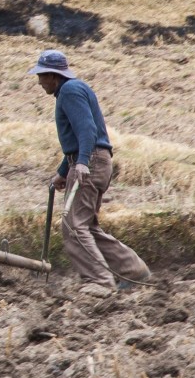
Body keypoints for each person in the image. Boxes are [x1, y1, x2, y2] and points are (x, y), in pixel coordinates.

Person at [28, 50, 151, 296]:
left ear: (53, 75)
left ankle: (99, 281)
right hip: (94, 161)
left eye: (41, 76)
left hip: (90, 162)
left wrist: (82, 162)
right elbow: (77, 139)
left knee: (73, 225)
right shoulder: (71, 90)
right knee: (87, 226)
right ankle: (132, 272)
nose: (39, 81)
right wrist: (63, 171)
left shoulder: (70, 92)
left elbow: (87, 130)